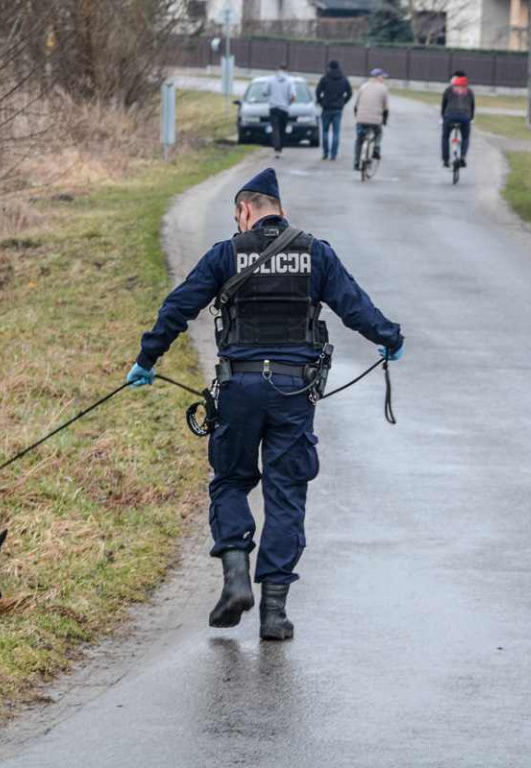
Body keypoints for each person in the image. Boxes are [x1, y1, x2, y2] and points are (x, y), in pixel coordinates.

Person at [126, 168, 404, 641]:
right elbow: (355, 307)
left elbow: (179, 307)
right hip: (294, 393)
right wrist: (389, 339)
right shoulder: (316, 253)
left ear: (245, 210)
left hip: (239, 388)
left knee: (231, 480)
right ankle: (274, 613)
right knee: (286, 493)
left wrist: (147, 359)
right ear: (279, 209)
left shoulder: (225, 254)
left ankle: (236, 577)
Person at [353, 68, 390, 171]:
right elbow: (386, 108)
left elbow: (356, 105)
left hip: (361, 119)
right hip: (375, 121)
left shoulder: (363, 87)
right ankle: (376, 148)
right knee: (379, 133)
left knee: (359, 140)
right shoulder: (383, 88)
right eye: (382, 77)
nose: (383, 79)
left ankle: (356, 163)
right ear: (377, 77)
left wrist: (357, 117)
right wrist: (385, 120)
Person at [315, 59, 352, 162]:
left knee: (325, 132)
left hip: (326, 108)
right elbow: (349, 93)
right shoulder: (344, 79)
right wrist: (343, 102)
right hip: (338, 109)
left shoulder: (325, 78)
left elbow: (318, 91)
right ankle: (333, 155)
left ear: (329, 67)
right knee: (336, 133)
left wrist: (321, 102)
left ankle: (325, 153)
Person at [441, 71, 475, 169]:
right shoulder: (469, 91)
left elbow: (443, 105)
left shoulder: (449, 90)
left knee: (445, 137)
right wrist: (471, 118)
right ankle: (463, 156)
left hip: (449, 116)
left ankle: (446, 160)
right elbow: (472, 107)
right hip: (465, 117)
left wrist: (443, 117)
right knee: (465, 137)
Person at [266, 63, 296, 159]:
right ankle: (280, 147)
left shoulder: (271, 80)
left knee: (275, 129)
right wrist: (289, 103)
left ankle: (276, 148)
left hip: (273, 108)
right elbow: (293, 96)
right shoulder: (290, 81)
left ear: (277, 69)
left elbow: (264, 92)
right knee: (282, 129)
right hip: (284, 109)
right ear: (286, 70)